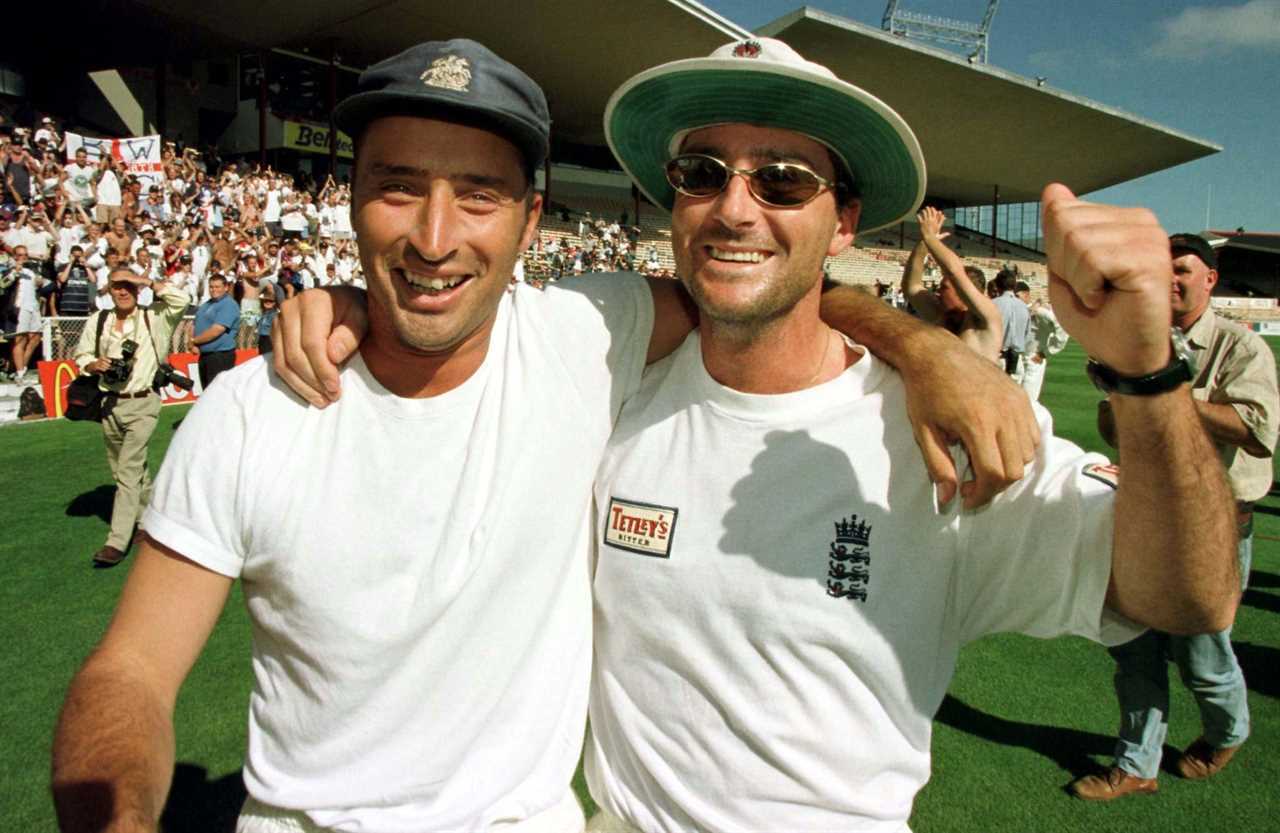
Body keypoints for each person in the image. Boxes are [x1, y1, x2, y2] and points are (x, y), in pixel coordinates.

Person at [52, 39, 1036, 833]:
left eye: (476, 196)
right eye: (397, 186)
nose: (435, 236)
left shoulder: (580, 333)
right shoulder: (249, 411)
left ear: (529, 221)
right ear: (348, 200)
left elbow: (762, 288)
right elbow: (128, 671)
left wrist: (923, 347)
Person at [577, 39, 1240, 831]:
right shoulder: (609, 385)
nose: (735, 207)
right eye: (702, 173)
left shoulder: (938, 432)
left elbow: (1189, 595)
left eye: (785, 179)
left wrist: (1149, 376)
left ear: (845, 223)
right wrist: (913, 337)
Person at [1070, 232, 1278, 801]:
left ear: (1210, 278)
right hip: (1141, 518)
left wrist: (1164, 387)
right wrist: (1121, 395)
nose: (1172, 279)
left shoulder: (1240, 347)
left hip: (1210, 527)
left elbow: (1259, 434)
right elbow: (1113, 430)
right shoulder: (1140, 341)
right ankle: (1137, 763)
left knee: (1201, 652)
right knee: (1131, 646)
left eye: (1183, 269)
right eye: (1163, 271)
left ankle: (1227, 731)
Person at [70, 269, 188, 567]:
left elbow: (181, 299)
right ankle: (153, 520)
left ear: (136, 289)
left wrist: (146, 281)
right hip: (109, 403)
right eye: (116, 287)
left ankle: (117, 541)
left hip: (143, 403)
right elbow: (81, 354)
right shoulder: (99, 320)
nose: (122, 292)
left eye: (127, 286)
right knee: (130, 471)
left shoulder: (155, 317)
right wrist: (93, 364)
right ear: (108, 290)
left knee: (128, 470)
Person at [900, 205, 1001, 362]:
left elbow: (955, 272)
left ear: (963, 291)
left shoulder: (984, 318)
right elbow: (912, 287)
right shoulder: (942, 315)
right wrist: (922, 247)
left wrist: (930, 238)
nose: (938, 292)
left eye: (944, 288)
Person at [1017, 283, 1067, 402]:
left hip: (1032, 359)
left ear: (1026, 295)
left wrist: (1046, 352)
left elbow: (1062, 327)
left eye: (1017, 296)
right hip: (1016, 359)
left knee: (1028, 402)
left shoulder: (1040, 312)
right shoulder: (1020, 310)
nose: (1015, 299)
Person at [190, 273, 240, 388]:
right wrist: (193, 342)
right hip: (205, 355)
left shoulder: (228, 304)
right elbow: (193, 324)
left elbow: (217, 330)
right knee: (206, 393)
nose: (213, 290)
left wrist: (194, 341)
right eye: (211, 287)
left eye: (217, 287)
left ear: (226, 287)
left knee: (218, 394)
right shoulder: (206, 304)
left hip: (220, 356)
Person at [991, 267, 1030, 375]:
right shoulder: (1023, 306)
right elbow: (1027, 333)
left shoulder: (992, 304)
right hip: (1017, 361)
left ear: (997, 285)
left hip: (998, 358)